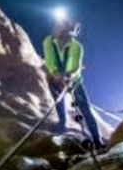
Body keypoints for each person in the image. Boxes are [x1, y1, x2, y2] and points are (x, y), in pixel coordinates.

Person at [42, 18, 104, 148]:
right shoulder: (48, 41)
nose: (57, 28)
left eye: (61, 27)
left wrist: (69, 76)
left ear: (69, 32)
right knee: (59, 104)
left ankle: (97, 140)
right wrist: (54, 73)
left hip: (74, 82)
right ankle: (62, 124)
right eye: (57, 26)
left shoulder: (76, 47)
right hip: (55, 80)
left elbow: (76, 66)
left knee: (85, 110)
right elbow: (49, 59)